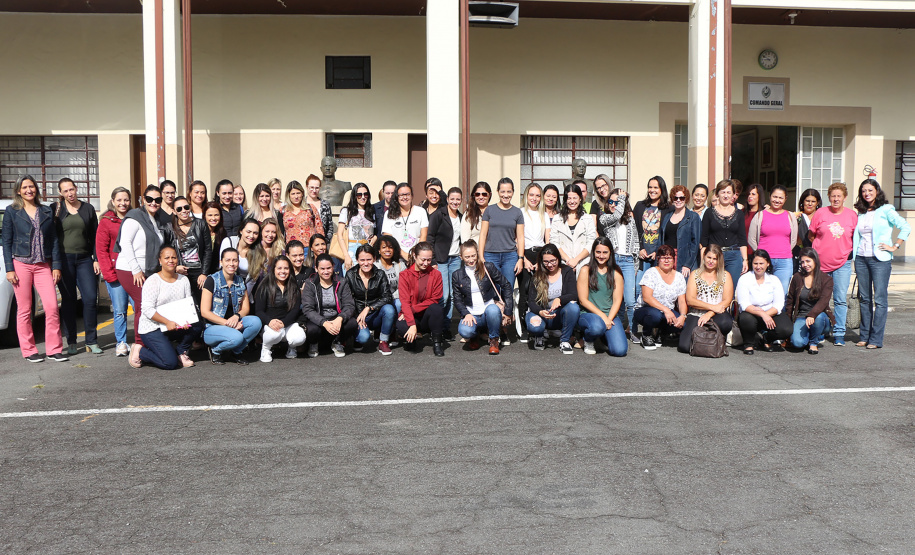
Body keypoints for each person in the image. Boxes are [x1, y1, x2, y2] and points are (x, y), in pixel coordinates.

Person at [2, 175, 67, 363]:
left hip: (42, 265)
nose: (29, 190)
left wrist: (56, 266)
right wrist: (9, 268)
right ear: (18, 191)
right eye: (25, 187)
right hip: (21, 264)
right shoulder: (12, 211)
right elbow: (6, 241)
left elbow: (54, 240)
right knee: (24, 309)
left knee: (52, 306)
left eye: (32, 186)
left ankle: (54, 349)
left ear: (36, 189)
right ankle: (29, 350)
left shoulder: (45, 211)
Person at [853, 178, 910, 349]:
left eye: (870, 190)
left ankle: (876, 339)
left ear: (877, 191)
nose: (867, 193)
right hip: (861, 258)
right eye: (864, 190)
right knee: (864, 299)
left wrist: (895, 246)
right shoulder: (860, 212)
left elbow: (905, 227)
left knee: (880, 300)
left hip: (880, 260)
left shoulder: (886, 210)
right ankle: (864, 336)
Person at [115, 185, 175, 346]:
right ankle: (139, 344)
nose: (153, 203)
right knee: (143, 305)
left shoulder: (155, 220)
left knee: (150, 304)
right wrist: (136, 270)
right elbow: (125, 242)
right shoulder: (135, 216)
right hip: (129, 269)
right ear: (143, 199)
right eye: (149, 199)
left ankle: (150, 341)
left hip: (147, 269)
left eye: (157, 200)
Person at [128, 245, 203, 369]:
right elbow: (147, 309)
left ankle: (180, 352)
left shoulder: (184, 280)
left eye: (173, 257)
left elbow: (186, 304)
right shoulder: (153, 281)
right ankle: (140, 351)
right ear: (160, 261)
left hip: (174, 325)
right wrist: (167, 322)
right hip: (152, 328)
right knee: (169, 363)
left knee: (198, 325)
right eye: (166, 257)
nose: (170, 260)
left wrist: (186, 320)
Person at [51, 177, 101, 355]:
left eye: (71, 189)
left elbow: (96, 235)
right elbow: (51, 236)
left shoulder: (87, 209)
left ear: (76, 188)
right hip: (64, 261)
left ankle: (91, 341)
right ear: (61, 193)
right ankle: (71, 340)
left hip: (85, 259)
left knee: (89, 299)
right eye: (65, 191)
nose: (70, 193)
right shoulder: (56, 209)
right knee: (69, 301)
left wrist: (96, 258)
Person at [807, 182, 857, 346]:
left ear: (844, 198)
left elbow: (854, 238)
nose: (836, 199)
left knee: (840, 299)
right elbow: (811, 235)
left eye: (839, 196)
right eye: (833, 196)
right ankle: (821, 329)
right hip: (821, 264)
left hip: (842, 263)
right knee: (820, 298)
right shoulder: (821, 213)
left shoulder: (851, 215)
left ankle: (839, 333)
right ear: (829, 197)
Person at [199, 248, 262, 365]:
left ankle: (236, 351)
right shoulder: (211, 280)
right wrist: (228, 324)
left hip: (233, 322)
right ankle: (215, 351)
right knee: (237, 337)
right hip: (213, 327)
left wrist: (236, 316)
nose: (231, 264)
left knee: (256, 322)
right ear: (221, 262)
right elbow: (205, 312)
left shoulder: (240, 281)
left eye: (235, 260)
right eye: (228, 260)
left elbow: (246, 308)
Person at [452, 240, 513, 355]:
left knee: (493, 310)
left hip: (488, 310)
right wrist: (466, 313)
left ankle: (494, 340)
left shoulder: (488, 267)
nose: (471, 259)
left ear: (478, 253)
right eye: (467, 257)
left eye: (473, 255)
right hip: (472, 313)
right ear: (461, 257)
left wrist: (508, 311)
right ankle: (474, 336)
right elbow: (457, 298)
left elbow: (506, 285)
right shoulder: (457, 275)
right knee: (465, 331)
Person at [479, 178, 525, 320]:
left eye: (509, 191)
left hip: (510, 257)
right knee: (493, 290)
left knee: (507, 290)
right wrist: (481, 257)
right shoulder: (490, 210)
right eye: (503, 191)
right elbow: (483, 234)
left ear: (513, 192)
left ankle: (505, 324)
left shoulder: (517, 212)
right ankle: (494, 325)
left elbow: (521, 237)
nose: (506, 195)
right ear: (498, 192)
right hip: (490, 255)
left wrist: (521, 259)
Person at [597, 187, 639, 340]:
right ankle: (619, 329)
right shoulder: (604, 218)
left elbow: (635, 242)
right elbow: (616, 216)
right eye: (611, 202)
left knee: (629, 300)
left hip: (627, 261)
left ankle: (633, 330)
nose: (614, 204)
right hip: (613, 261)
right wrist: (622, 199)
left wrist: (635, 265)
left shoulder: (630, 219)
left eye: (617, 201)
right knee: (616, 298)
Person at [97, 187, 134, 357]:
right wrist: (109, 275)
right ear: (113, 201)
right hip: (115, 273)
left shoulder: (135, 218)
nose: (123, 203)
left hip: (135, 273)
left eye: (126, 199)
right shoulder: (106, 221)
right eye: (119, 200)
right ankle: (121, 342)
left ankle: (143, 340)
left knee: (140, 308)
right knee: (120, 311)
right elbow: (102, 251)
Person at [678, 244, 734, 354]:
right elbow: (690, 300)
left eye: (714, 259)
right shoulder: (695, 274)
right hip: (696, 313)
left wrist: (710, 313)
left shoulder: (725, 275)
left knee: (726, 322)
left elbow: (727, 300)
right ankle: (704, 336)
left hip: (717, 314)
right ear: (704, 257)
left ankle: (715, 338)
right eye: (709, 257)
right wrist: (712, 307)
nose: (711, 261)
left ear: (719, 260)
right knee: (684, 347)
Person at [576, 237, 628, 357]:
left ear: (610, 253)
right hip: (589, 314)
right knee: (596, 327)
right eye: (598, 252)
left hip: (610, 315)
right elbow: (583, 301)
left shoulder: (616, 271)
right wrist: (603, 317)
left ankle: (602, 337)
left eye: (605, 252)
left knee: (619, 351)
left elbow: (617, 300)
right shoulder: (585, 270)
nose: (601, 255)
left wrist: (609, 318)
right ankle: (588, 339)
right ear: (593, 252)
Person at [525, 244, 579, 354]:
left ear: (558, 258)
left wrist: (559, 299)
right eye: (546, 262)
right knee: (535, 327)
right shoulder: (537, 275)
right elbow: (531, 301)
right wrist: (540, 311)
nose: (550, 265)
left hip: (558, 315)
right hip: (541, 313)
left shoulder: (567, 271)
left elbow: (574, 294)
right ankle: (539, 336)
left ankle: (564, 341)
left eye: (553, 261)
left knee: (573, 307)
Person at [735, 249, 792, 354]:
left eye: (761, 263)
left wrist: (766, 314)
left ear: (767, 264)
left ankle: (766, 339)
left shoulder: (774, 279)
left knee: (786, 329)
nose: (758, 266)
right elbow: (744, 304)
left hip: (770, 312)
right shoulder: (744, 279)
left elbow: (779, 305)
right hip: (752, 313)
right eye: (755, 263)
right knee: (746, 319)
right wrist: (762, 314)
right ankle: (749, 344)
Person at [300, 253, 357, 358]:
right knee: (312, 330)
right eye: (322, 268)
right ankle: (314, 343)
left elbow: (349, 305)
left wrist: (340, 318)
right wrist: (324, 322)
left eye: (328, 268)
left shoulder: (342, 282)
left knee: (352, 323)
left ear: (333, 267)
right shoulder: (310, 283)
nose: (326, 271)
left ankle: (337, 342)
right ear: (316, 268)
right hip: (318, 318)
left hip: (336, 317)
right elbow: (308, 309)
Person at [633, 244, 687, 350]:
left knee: (683, 325)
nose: (666, 261)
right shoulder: (651, 273)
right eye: (663, 257)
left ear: (673, 260)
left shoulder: (679, 277)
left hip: (667, 313)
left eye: (669, 258)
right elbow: (647, 298)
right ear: (658, 259)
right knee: (655, 315)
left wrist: (683, 316)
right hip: (646, 310)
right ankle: (646, 335)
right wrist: (666, 310)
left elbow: (681, 301)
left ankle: (661, 333)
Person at [345, 245, 396, 355]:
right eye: (362, 260)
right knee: (363, 338)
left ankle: (383, 341)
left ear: (374, 259)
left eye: (369, 259)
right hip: (357, 315)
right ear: (357, 260)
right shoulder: (350, 275)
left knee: (389, 309)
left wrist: (369, 308)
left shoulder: (380, 274)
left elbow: (387, 297)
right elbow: (346, 299)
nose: (366, 263)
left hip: (374, 314)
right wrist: (356, 316)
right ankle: (356, 338)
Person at [396, 242, 445, 356]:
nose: (426, 263)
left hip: (427, 316)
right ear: (414, 255)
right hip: (411, 315)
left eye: (429, 260)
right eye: (423, 259)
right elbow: (404, 302)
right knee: (402, 326)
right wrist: (412, 324)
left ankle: (437, 343)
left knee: (436, 308)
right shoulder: (405, 275)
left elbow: (435, 299)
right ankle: (411, 340)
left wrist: (413, 309)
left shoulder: (436, 274)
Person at [254, 255, 306, 362]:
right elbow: (259, 310)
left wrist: (284, 323)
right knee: (274, 334)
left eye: (286, 268)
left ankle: (292, 347)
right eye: (279, 268)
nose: (283, 271)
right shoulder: (265, 285)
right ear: (273, 269)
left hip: (288, 323)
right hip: (270, 325)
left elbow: (295, 309)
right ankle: (266, 349)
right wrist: (270, 321)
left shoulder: (293, 286)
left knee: (300, 337)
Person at [428, 186, 463, 340]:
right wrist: (433, 260)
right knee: (444, 295)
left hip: (455, 259)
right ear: (447, 199)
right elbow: (430, 238)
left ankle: (446, 327)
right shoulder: (438, 215)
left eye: (458, 199)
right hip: (441, 260)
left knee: (453, 296)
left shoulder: (461, 217)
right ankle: (437, 327)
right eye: (452, 199)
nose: (455, 202)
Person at [748, 185, 796, 294]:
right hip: (763, 261)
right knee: (763, 292)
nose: (777, 200)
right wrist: (761, 254)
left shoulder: (790, 216)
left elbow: (793, 240)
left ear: (785, 199)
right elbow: (751, 238)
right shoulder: (760, 215)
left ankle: (780, 312)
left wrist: (785, 250)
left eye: (780, 198)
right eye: (775, 197)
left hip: (784, 261)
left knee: (781, 293)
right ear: (770, 197)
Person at [785, 248, 834, 354]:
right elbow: (790, 300)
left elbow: (823, 301)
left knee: (819, 317)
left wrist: (812, 315)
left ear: (815, 260)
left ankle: (813, 343)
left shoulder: (826, 279)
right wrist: (788, 322)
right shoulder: (797, 277)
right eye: (802, 262)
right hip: (802, 316)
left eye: (808, 261)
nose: (805, 264)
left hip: (819, 316)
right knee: (797, 343)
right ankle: (813, 334)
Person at [701, 179, 748, 286]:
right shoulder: (709, 213)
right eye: (723, 192)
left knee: (731, 288)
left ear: (733, 195)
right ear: (717, 194)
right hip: (715, 256)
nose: (726, 195)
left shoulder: (739, 214)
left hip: (734, 256)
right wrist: (703, 260)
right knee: (714, 287)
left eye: (728, 192)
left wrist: (745, 260)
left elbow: (742, 239)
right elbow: (704, 239)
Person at [546, 183, 596, 275]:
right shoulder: (557, 218)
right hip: (563, 263)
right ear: (565, 200)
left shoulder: (587, 219)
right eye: (569, 198)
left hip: (583, 264)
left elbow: (591, 242)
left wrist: (576, 260)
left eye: (575, 198)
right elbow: (554, 241)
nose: (572, 201)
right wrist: (568, 260)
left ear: (580, 198)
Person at [171, 195, 211, 307]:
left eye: (186, 207)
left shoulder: (200, 224)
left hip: (199, 272)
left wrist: (204, 273)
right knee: (185, 305)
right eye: (179, 209)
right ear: (174, 211)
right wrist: (175, 267)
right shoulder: (170, 228)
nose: (183, 211)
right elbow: (168, 252)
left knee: (202, 304)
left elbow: (208, 249)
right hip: (181, 272)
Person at [518, 183, 546, 342]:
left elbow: (547, 240)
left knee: (540, 290)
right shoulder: (520, 213)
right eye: (531, 195)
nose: (534, 198)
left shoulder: (543, 215)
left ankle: (540, 324)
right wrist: (523, 259)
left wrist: (542, 261)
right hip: (525, 254)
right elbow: (517, 239)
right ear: (526, 196)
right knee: (525, 289)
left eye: (537, 195)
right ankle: (523, 327)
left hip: (541, 254)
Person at [633, 176, 670, 288]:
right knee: (638, 287)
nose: (652, 190)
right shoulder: (640, 206)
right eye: (650, 187)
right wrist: (640, 248)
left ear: (662, 189)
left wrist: (658, 251)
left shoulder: (669, 208)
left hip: (658, 256)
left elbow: (668, 233)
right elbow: (634, 229)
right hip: (642, 256)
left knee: (657, 287)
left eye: (655, 187)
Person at [660, 184, 703, 279]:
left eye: (681, 198)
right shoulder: (667, 216)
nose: (678, 200)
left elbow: (695, 243)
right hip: (668, 259)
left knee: (684, 290)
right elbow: (662, 238)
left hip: (684, 259)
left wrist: (687, 264)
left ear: (686, 199)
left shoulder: (693, 217)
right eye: (675, 198)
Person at [336, 182, 377, 271]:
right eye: (359, 195)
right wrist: (346, 256)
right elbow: (339, 234)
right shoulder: (347, 211)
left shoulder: (371, 211)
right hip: (352, 248)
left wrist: (375, 237)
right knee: (350, 278)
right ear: (354, 196)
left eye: (365, 194)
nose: (363, 197)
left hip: (367, 248)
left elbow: (374, 231)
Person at [382, 183, 428, 250]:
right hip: (396, 255)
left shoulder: (420, 211)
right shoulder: (389, 214)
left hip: (416, 255)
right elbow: (388, 237)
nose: (405, 197)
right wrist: (402, 254)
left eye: (407, 194)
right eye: (401, 195)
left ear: (412, 196)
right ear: (397, 197)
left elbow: (423, 236)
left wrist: (415, 253)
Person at [220, 219, 261, 283]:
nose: (251, 236)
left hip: (246, 285)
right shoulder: (229, 242)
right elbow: (222, 266)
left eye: (255, 233)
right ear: (241, 231)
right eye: (248, 232)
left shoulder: (258, 251)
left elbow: (253, 279)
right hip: (225, 281)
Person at [376, 235, 407, 316]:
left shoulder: (400, 265)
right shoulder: (375, 266)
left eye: (390, 247)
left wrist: (392, 297)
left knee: (399, 304)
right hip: (381, 300)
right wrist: (386, 299)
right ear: (379, 250)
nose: (387, 250)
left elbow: (403, 286)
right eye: (384, 247)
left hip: (396, 298)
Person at [202, 201, 226, 277]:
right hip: (202, 273)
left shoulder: (223, 233)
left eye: (216, 215)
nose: (213, 218)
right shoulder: (200, 232)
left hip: (217, 273)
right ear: (204, 216)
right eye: (210, 215)